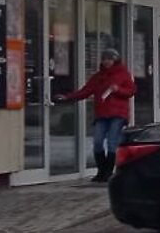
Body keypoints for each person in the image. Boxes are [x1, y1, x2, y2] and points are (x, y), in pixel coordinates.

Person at [56, 48, 136, 183]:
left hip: (118, 114)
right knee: (97, 143)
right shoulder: (98, 77)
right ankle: (101, 171)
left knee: (111, 143)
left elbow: (131, 90)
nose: (107, 62)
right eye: (104, 59)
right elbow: (86, 91)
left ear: (115, 60)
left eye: (109, 59)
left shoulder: (123, 74)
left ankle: (109, 173)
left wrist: (118, 90)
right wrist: (67, 97)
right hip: (102, 114)